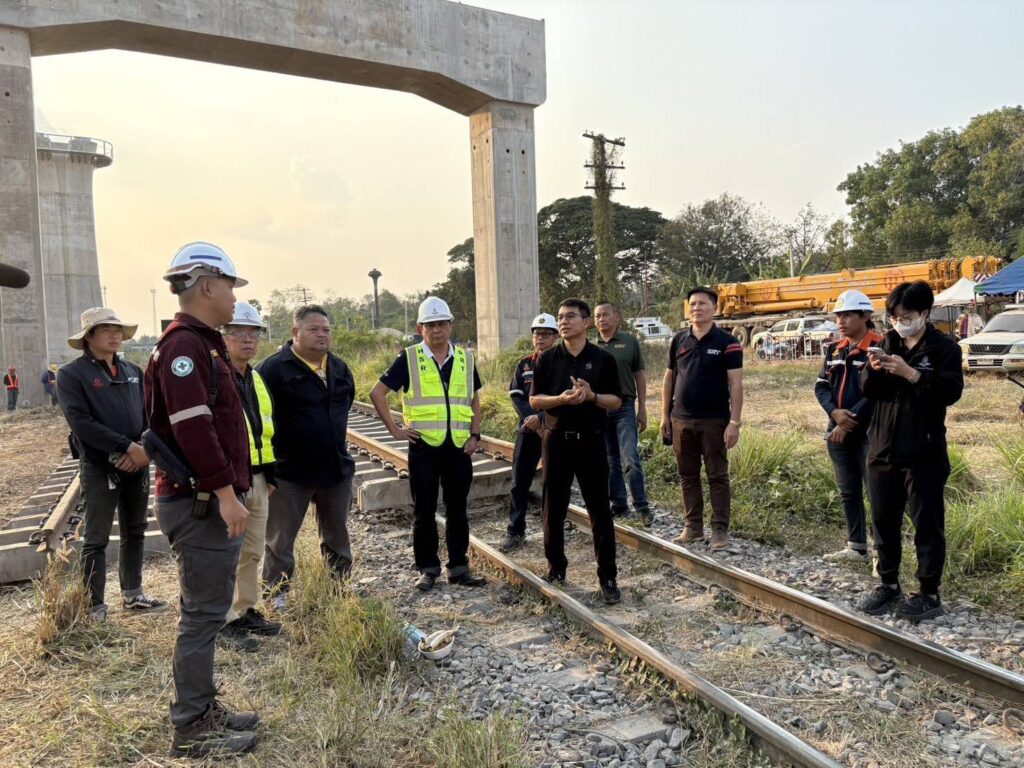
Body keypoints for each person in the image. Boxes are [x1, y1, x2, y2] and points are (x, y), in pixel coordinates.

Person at [145, 241, 257, 757]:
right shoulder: (185, 347)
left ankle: (202, 707)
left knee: (206, 612)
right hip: (200, 502)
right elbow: (194, 428)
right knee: (202, 614)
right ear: (209, 285)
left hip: (203, 498)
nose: (235, 298)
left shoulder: (198, 343)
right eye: (232, 286)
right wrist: (225, 492)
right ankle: (191, 726)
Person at [858, 281, 963, 622]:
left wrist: (912, 374)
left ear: (924, 313)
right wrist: (873, 370)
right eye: (893, 317)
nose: (899, 322)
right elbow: (869, 390)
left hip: (924, 451)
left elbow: (949, 392)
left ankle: (929, 593)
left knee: (927, 523)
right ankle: (888, 585)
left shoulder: (943, 347)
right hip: (882, 448)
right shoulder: (888, 342)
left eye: (906, 316)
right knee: (883, 521)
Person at [369, 296, 487, 591]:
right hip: (424, 447)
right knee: (424, 510)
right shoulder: (408, 358)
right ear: (421, 328)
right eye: (431, 325)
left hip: (459, 447)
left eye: (442, 324)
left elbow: (474, 398)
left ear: (449, 326)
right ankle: (428, 568)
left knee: (458, 509)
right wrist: (395, 429)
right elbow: (377, 393)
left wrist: (475, 435)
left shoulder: (465, 358)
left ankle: (459, 568)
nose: (437, 329)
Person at [57, 307, 166, 620]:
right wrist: (123, 447)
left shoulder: (133, 370)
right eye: (106, 329)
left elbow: (151, 414)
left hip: (137, 462)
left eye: (118, 329)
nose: (115, 334)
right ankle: (94, 606)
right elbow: (81, 422)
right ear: (89, 336)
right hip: (100, 466)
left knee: (135, 529)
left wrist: (142, 447)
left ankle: (133, 595)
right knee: (96, 538)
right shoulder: (71, 375)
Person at [258, 304, 356, 608]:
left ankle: (339, 588)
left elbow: (346, 404)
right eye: (314, 329)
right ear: (295, 333)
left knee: (337, 535)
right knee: (280, 540)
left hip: (334, 469)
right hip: (291, 472)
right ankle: (277, 595)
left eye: (326, 330)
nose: (321, 335)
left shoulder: (338, 368)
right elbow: (257, 415)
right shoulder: (273, 369)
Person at [529, 298, 623, 605]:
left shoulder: (603, 359)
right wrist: (560, 399)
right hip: (556, 441)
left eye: (570, 316)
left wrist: (591, 395)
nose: (564, 321)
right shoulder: (547, 359)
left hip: (591, 442)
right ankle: (556, 568)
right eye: (560, 317)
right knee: (552, 508)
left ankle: (607, 576)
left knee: (599, 510)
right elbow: (535, 401)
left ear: (586, 322)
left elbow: (616, 401)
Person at [218, 301, 282, 649]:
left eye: (253, 333)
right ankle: (223, 619)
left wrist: (270, 475)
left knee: (253, 550)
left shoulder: (255, 377)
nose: (248, 340)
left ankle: (244, 609)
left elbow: (266, 428)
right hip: (231, 480)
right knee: (227, 552)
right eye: (239, 333)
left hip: (258, 477)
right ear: (224, 337)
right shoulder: (215, 375)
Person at [661, 287, 743, 552]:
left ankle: (719, 530)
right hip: (681, 419)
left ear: (715, 308)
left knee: (717, 476)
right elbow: (669, 378)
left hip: (714, 421)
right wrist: (664, 415)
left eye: (703, 304)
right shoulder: (678, 340)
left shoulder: (727, 342)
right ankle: (693, 526)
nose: (697, 308)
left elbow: (736, 384)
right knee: (687, 476)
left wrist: (735, 422)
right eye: (693, 304)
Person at [814, 290, 882, 563]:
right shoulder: (835, 349)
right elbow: (821, 386)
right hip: (837, 431)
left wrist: (848, 420)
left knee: (876, 492)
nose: (841, 321)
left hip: (869, 433)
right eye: (838, 315)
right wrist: (834, 413)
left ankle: (881, 551)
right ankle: (857, 547)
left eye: (848, 315)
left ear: (865, 316)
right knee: (848, 491)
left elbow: (878, 393)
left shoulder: (880, 347)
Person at [500, 312, 558, 552]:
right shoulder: (524, 364)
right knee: (520, 481)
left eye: (545, 334)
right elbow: (516, 395)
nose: (540, 338)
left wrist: (542, 417)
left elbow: (564, 398)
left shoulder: (562, 362)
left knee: (554, 482)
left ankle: (552, 528)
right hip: (528, 429)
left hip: (554, 429)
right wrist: (531, 418)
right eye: (537, 334)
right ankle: (515, 530)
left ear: (555, 337)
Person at [594, 302, 654, 526]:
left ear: (616, 317)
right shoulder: (591, 345)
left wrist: (643, 408)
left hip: (625, 409)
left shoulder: (629, 342)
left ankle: (642, 506)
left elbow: (639, 375)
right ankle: (618, 503)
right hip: (600, 409)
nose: (602, 319)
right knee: (611, 461)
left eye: (606, 315)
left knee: (630, 458)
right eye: (598, 316)